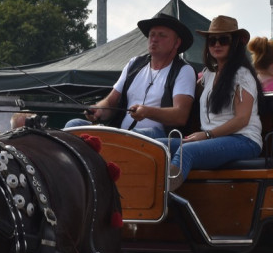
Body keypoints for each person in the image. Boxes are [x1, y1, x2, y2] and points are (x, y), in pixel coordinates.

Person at [158, 16, 261, 192]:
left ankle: (157, 202)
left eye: (223, 40)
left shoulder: (242, 75)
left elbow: (242, 120)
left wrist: (206, 135)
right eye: (212, 40)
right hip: (215, 138)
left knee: (187, 152)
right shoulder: (209, 74)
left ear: (236, 43)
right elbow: (186, 94)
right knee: (156, 146)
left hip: (244, 140)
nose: (217, 44)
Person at [64, 12, 196, 138]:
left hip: (158, 137)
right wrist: (99, 110)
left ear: (177, 43)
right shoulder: (134, 64)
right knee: (74, 125)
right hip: (124, 133)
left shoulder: (183, 70)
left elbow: (180, 116)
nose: (154, 39)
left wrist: (147, 112)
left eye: (162, 35)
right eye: (152, 35)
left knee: (136, 134)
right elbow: (111, 102)